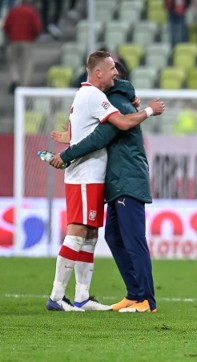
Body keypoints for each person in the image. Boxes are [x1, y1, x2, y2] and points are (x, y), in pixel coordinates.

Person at [45, 50, 165, 312]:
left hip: (126, 180)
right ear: (99, 73)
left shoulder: (116, 101)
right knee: (109, 236)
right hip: (114, 182)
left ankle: (145, 299)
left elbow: (105, 133)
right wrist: (72, 138)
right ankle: (131, 294)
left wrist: (67, 152)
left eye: (116, 70)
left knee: (128, 240)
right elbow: (97, 132)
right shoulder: (102, 98)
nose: (115, 73)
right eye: (111, 69)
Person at [2, 0, 42, 94]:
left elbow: (6, 26)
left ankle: (15, 79)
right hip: (27, 41)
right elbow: (37, 27)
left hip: (13, 40)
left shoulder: (13, 10)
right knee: (27, 64)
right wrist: (33, 37)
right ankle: (24, 85)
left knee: (13, 63)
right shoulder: (32, 12)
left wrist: (9, 36)